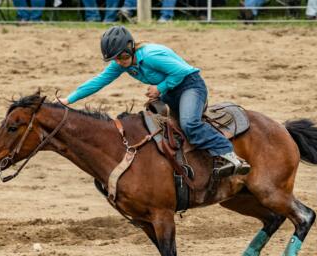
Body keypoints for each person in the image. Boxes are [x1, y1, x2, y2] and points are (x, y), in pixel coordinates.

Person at [58, 26, 250, 176]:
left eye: (122, 56)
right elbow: (97, 82)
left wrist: (160, 88)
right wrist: (69, 99)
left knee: (190, 124)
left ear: (130, 48)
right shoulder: (121, 64)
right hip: (169, 93)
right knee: (160, 130)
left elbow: (184, 71)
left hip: (190, 86)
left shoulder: (151, 55)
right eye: (114, 59)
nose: (119, 62)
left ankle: (230, 155)